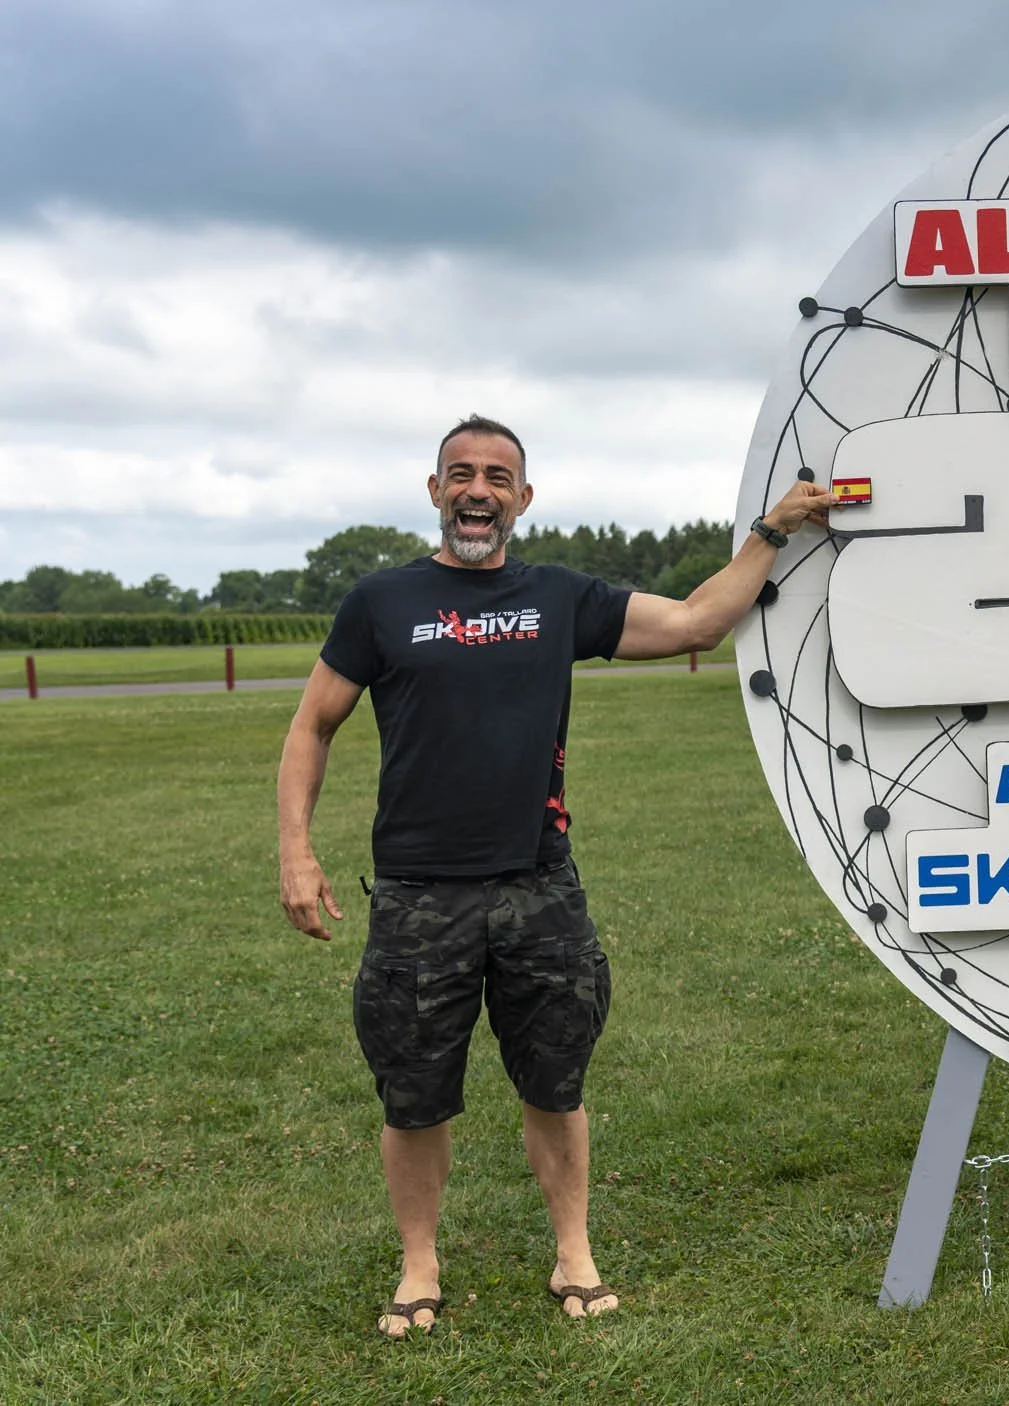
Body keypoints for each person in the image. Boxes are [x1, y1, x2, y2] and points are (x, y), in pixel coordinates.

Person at [277, 415, 835, 1337]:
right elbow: (312, 724)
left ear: (523, 499)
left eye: (498, 476)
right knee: (414, 1093)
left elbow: (697, 620)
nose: (478, 490)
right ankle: (419, 1265)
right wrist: (295, 846)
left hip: (540, 886)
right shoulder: (380, 602)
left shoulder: (560, 599)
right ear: (434, 490)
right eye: (461, 473)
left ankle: (573, 1251)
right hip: (419, 894)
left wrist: (771, 532)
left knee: (556, 1082)